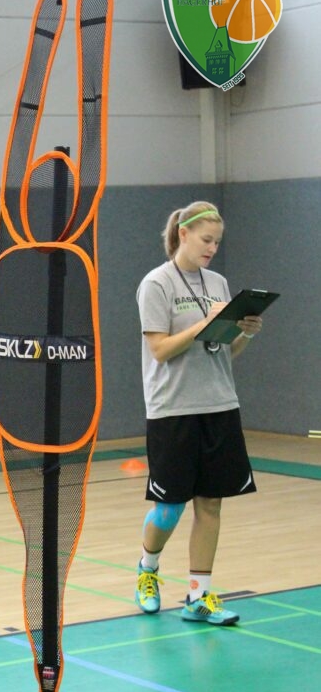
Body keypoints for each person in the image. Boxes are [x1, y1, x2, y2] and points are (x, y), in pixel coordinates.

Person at [134, 201, 263, 626]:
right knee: (169, 507)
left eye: (217, 243)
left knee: (210, 505)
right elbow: (160, 350)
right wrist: (201, 325)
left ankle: (198, 596)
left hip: (219, 406)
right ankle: (148, 568)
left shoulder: (218, 283)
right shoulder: (156, 284)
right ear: (183, 234)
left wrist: (243, 333)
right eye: (206, 240)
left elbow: (221, 351)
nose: (212, 248)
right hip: (173, 410)